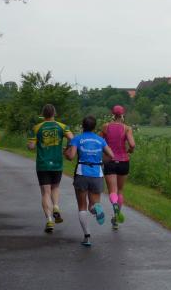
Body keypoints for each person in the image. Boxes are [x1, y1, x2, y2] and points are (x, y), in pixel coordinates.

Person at [64, 115, 115, 246]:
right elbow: (111, 155)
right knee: (93, 205)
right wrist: (101, 162)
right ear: (94, 127)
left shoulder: (77, 138)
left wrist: (65, 152)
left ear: (83, 126)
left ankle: (87, 236)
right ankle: (96, 208)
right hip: (97, 173)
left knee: (82, 206)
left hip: (82, 172)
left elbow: (71, 156)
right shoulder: (100, 140)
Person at [28, 104, 73, 233]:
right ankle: (56, 206)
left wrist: (30, 145)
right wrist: (67, 148)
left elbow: (31, 147)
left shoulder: (37, 128)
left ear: (43, 114)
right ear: (54, 113)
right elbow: (72, 138)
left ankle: (49, 220)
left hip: (43, 164)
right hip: (57, 163)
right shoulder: (62, 126)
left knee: (45, 192)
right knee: (55, 187)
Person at [99, 104, 135, 230]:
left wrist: (103, 152)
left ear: (112, 114)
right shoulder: (127, 128)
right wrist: (130, 150)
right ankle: (116, 217)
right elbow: (132, 144)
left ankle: (114, 204)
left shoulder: (105, 126)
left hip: (110, 161)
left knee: (112, 191)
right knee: (120, 190)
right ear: (122, 114)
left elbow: (99, 141)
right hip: (124, 161)